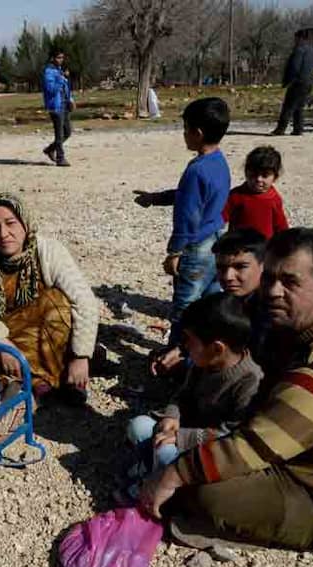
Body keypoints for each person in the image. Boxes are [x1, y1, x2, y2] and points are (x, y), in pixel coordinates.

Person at [141, 228, 313, 553]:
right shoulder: (300, 331)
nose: (274, 291)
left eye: (290, 283)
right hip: (309, 464)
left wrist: (174, 474)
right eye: (270, 279)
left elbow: (254, 445)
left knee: (205, 491)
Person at [0, 194, 98, 402]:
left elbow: (84, 300)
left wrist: (81, 356)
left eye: (11, 223)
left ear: (25, 223)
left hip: (41, 332)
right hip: (2, 332)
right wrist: (2, 344)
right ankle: (45, 381)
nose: (3, 234)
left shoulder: (48, 250)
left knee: (58, 304)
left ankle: (49, 375)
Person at [127, 293, 262, 494]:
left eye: (189, 340)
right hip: (182, 432)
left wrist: (181, 437)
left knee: (165, 453)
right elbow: (182, 394)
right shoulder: (204, 362)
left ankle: (156, 487)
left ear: (217, 348)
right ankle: (150, 470)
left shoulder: (250, 381)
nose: (186, 346)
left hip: (208, 449)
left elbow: (231, 435)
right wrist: (172, 415)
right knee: (138, 426)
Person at [151, 228, 266, 377]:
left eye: (240, 267)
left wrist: (187, 364)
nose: (228, 276)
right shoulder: (233, 301)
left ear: (264, 266)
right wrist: (182, 350)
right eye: (221, 268)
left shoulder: (271, 312)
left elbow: (248, 365)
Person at [162, 97, 230, 349]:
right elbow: (202, 197)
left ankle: (177, 356)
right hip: (216, 240)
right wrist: (156, 198)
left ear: (197, 133)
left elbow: (187, 218)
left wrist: (175, 252)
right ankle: (205, 351)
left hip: (196, 246)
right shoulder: (219, 162)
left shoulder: (196, 170)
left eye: (185, 129)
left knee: (185, 307)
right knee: (210, 299)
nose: (184, 135)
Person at [223, 146, 289, 240]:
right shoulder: (236, 195)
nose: (258, 179)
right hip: (238, 247)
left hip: (264, 248)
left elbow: (280, 226)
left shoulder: (274, 199)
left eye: (265, 175)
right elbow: (220, 218)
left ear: (275, 177)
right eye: (253, 174)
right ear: (246, 172)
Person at [272, 30, 313, 136]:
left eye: (296, 38)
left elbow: (294, 66)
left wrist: (287, 81)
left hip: (298, 82)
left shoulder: (299, 50)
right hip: (308, 82)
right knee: (299, 106)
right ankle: (298, 128)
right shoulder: (311, 50)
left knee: (288, 106)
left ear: (300, 38)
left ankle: (281, 129)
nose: (295, 41)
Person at [42, 49, 73, 167]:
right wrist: (61, 78)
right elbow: (51, 89)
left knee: (68, 132)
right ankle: (60, 158)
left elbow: (66, 88)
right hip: (55, 106)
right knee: (59, 134)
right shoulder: (48, 72)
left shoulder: (59, 71)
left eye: (62, 57)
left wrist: (71, 99)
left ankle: (50, 149)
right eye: (58, 57)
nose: (61, 60)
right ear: (52, 58)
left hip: (65, 104)